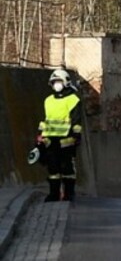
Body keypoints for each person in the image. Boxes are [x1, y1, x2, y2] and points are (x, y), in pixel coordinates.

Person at [38, 69, 83, 202]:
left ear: (66, 82)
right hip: (50, 139)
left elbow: (76, 120)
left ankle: (69, 194)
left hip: (67, 139)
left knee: (66, 167)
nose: (56, 84)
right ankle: (54, 194)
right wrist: (40, 135)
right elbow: (45, 119)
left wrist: (76, 136)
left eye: (58, 81)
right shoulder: (48, 100)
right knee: (53, 168)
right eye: (54, 82)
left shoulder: (73, 99)